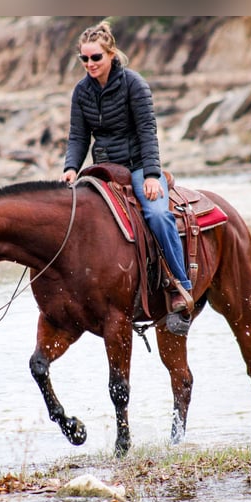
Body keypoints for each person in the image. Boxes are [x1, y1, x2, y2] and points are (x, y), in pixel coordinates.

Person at [61, 20, 193, 315]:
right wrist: (71, 167)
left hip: (137, 165)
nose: (90, 63)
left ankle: (181, 285)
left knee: (158, 215)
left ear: (111, 55)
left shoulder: (135, 84)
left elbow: (147, 131)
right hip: (102, 169)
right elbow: (78, 136)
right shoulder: (81, 92)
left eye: (96, 57)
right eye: (84, 58)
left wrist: (150, 175)